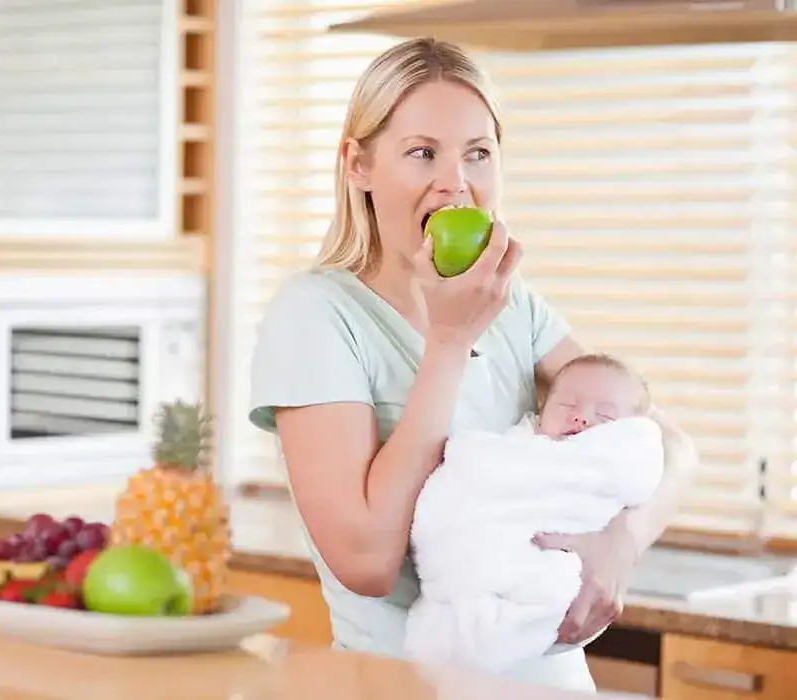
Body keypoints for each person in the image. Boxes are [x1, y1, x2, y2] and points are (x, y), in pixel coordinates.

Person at [246, 37, 699, 692]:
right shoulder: (315, 314)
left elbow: (671, 445)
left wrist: (619, 545)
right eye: (422, 152)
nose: (455, 181)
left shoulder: (513, 306)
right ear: (358, 164)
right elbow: (366, 561)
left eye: (477, 154)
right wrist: (450, 342)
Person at [403, 353, 666, 674]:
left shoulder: (614, 460)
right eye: (567, 405)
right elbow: (468, 476)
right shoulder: (513, 448)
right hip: (469, 565)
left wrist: (621, 542)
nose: (581, 417)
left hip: (549, 580)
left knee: (551, 593)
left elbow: (649, 467)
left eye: (605, 417)